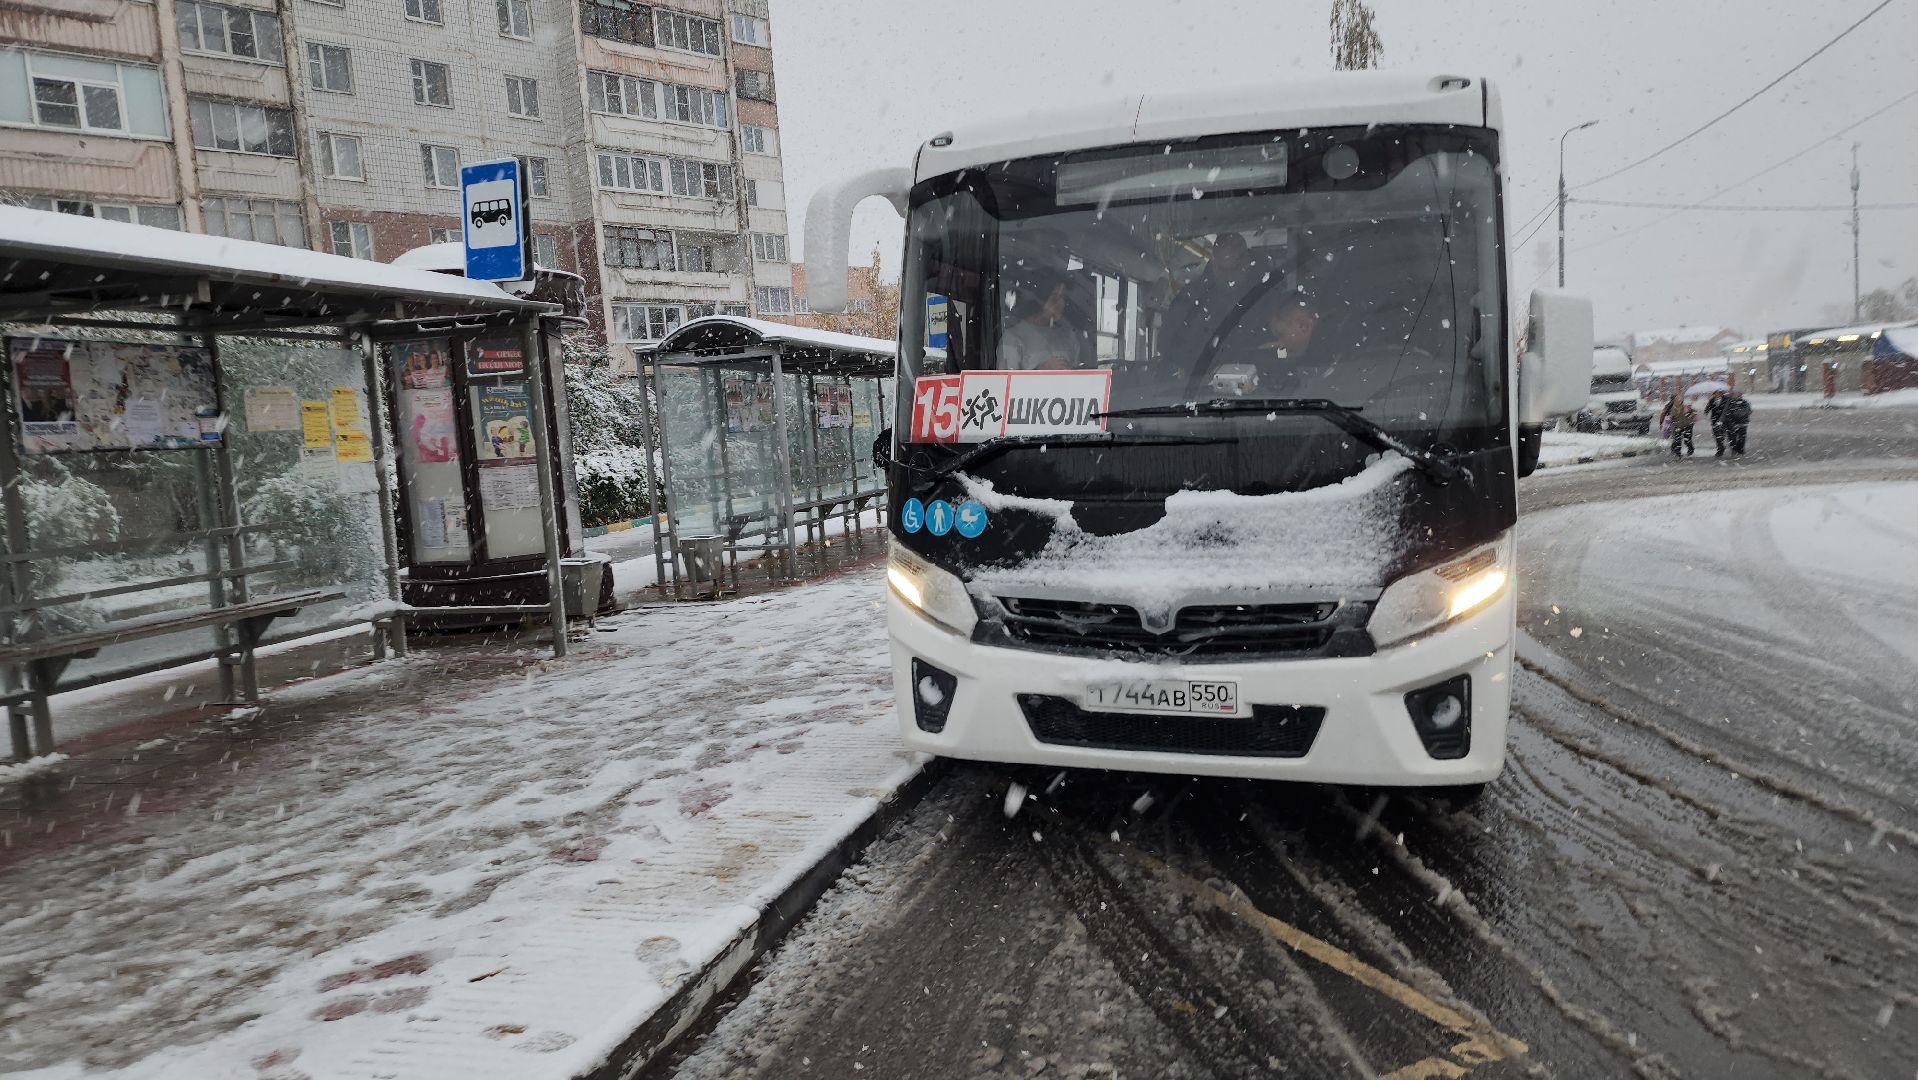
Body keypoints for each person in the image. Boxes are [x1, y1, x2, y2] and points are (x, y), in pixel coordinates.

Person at [1162, 232, 1258, 363]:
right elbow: (1167, 345)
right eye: (1224, 270)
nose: (1230, 277)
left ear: (1247, 263)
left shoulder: (1264, 294)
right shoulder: (1190, 298)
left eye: (1236, 268)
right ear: (1214, 263)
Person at [1001, 274, 1081, 371]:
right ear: (1040, 297)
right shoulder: (1012, 337)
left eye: (1064, 298)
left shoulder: (1069, 337)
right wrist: (1041, 369)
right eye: (1054, 297)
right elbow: (1006, 378)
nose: (1061, 304)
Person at [1724, 390, 1752, 455]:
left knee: (1741, 437)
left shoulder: (1744, 402)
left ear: (1740, 395)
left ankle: (1740, 450)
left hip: (1742, 423)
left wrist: (1735, 412)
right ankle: (1734, 449)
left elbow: (1748, 411)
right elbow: (1725, 412)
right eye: (1733, 394)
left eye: (1736, 394)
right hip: (1731, 423)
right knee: (1732, 437)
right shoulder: (1728, 403)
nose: (1734, 395)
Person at [1704, 389, 1729, 457]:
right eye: (1715, 393)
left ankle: (1720, 449)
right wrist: (1707, 409)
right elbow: (1706, 410)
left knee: (1721, 435)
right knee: (1716, 435)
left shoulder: (1726, 400)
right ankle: (1720, 447)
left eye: (1718, 393)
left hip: (1723, 420)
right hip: (1714, 420)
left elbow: (1727, 410)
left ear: (1721, 393)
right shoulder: (1712, 400)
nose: (1717, 395)